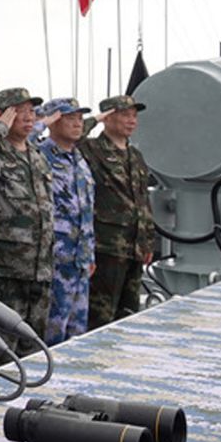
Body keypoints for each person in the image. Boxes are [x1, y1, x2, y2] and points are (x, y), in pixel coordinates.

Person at [0, 87, 54, 348]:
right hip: (5, 269)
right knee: (1, 349)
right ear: (2, 115)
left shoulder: (37, 156)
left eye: (31, 111)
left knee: (34, 345)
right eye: (20, 111)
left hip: (41, 268)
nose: (29, 117)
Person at [78, 94, 154, 328]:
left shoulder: (136, 156)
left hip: (134, 247)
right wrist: (95, 119)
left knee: (129, 314)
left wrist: (149, 240)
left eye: (134, 116)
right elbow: (73, 137)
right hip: (107, 247)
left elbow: (143, 200)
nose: (131, 121)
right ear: (108, 118)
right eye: (124, 115)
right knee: (101, 316)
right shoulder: (92, 149)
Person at [36, 98, 96, 343]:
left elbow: (86, 210)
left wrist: (90, 254)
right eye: (70, 118)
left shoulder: (80, 160)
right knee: (52, 331)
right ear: (53, 122)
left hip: (80, 260)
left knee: (77, 332)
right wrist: (41, 124)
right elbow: (12, 145)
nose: (77, 124)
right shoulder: (40, 155)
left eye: (80, 119)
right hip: (55, 259)